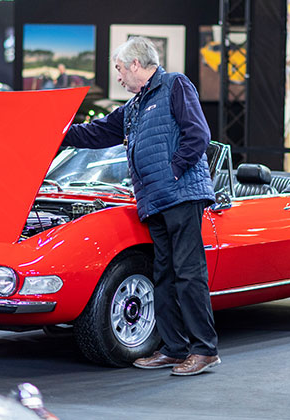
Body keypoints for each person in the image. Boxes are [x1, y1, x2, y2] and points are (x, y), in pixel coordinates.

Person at [62, 36, 219, 376]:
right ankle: (174, 349)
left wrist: (173, 172)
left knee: (188, 272)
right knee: (164, 275)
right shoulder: (134, 106)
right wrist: (57, 132)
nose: (118, 76)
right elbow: (96, 133)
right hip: (155, 201)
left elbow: (198, 135)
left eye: (119, 69)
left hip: (181, 195)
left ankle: (205, 350)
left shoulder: (175, 85)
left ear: (136, 64)